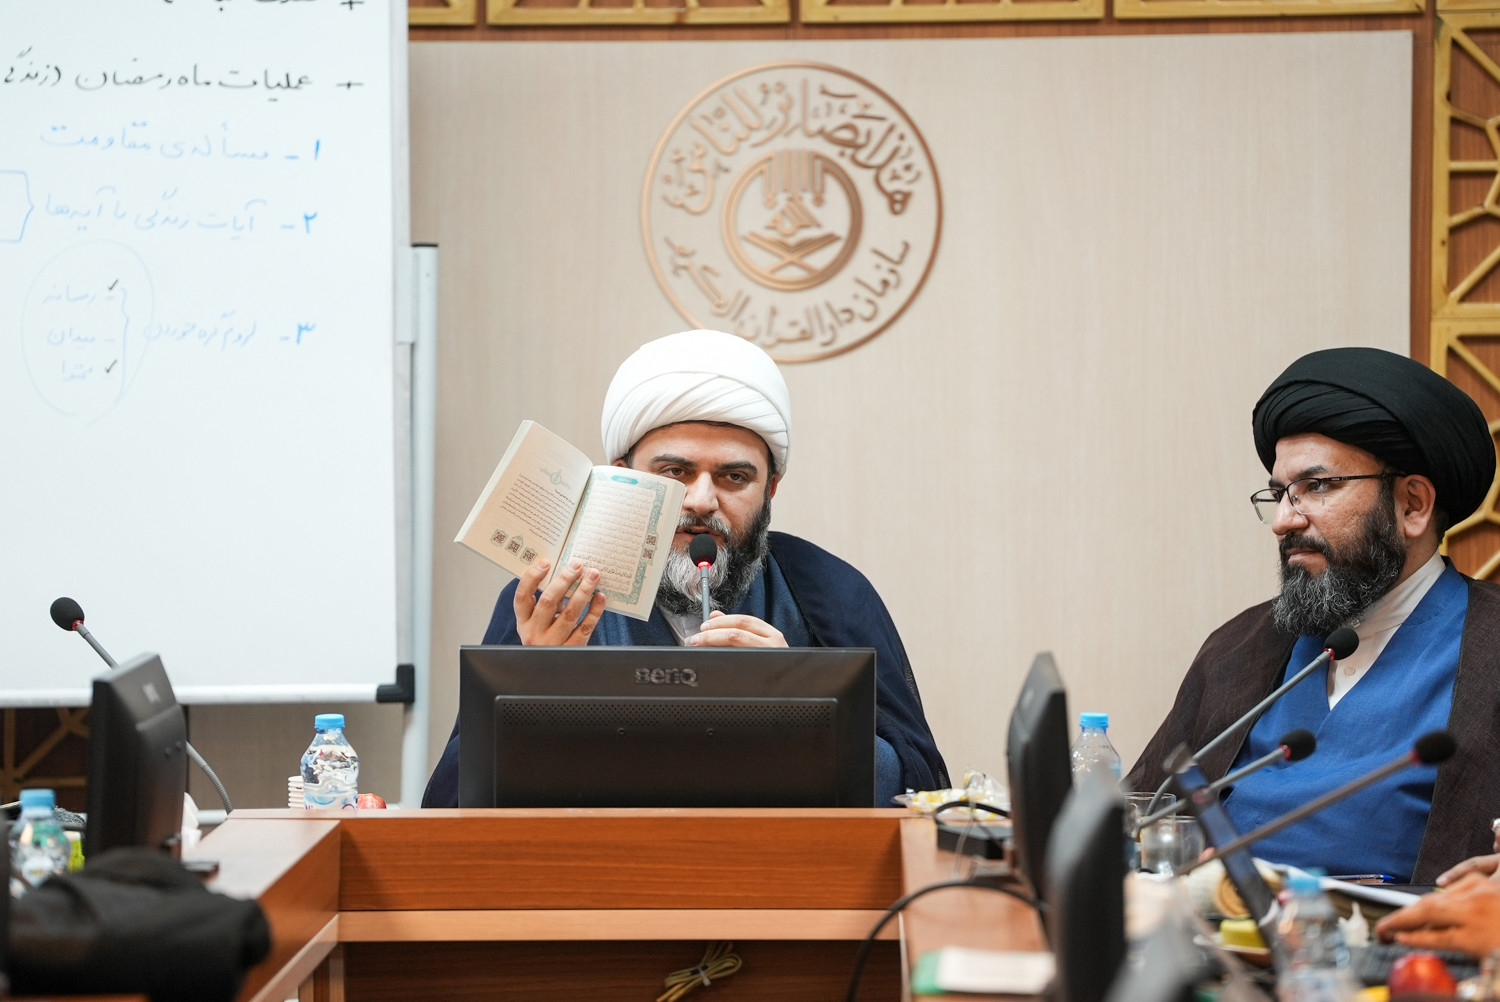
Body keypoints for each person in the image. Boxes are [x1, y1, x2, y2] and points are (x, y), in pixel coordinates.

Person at [423, 329, 948, 807]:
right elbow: (455, 805)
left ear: (770, 489)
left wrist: (802, 707)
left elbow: (916, 794)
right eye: (675, 471)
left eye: (735, 477)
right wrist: (533, 689)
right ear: (624, 477)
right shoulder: (554, 602)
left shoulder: (830, 591)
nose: (701, 500)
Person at [1126, 346, 1500, 884]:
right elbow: (1145, 813)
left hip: (1406, 937)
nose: (1284, 520)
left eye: (1316, 487)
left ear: (1413, 505)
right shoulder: (1240, 645)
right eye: (1279, 493)